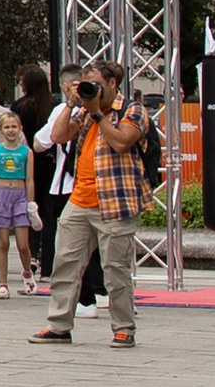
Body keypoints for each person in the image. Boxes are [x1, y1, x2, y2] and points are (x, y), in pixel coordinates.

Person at [33, 62, 147, 349]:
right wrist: (70, 105)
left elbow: (122, 142)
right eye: (86, 85)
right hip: (79, 199)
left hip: (116, 201)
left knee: (115, 269)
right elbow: (57, 137)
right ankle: (59, 326)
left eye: (96, 84)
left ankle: (123, 328)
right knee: (65, 264)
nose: (90, 90)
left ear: (112, 84)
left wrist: (97, 113)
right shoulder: (82, 110)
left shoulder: (132, 110)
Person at [38, 63, 102, 314]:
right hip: (73, 183)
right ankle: (93, 294)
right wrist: (70, 107)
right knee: (81, 245)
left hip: (76, 186)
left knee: (79, 246)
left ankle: (88, 296)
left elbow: (40, 142)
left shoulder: (102, 110)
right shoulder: (69, 111)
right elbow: (48, 139)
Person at [0, 77, 39, 293]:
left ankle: (27, 271)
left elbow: (30, 179)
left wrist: (31, 204)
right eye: (7, 127)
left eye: (14, 127)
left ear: (20, 129)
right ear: (1, 130)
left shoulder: (26, 152)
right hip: (0, 194)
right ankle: (3, 284)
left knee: (23, 244)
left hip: (20, 195)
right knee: (2, 243)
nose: (11, 130)